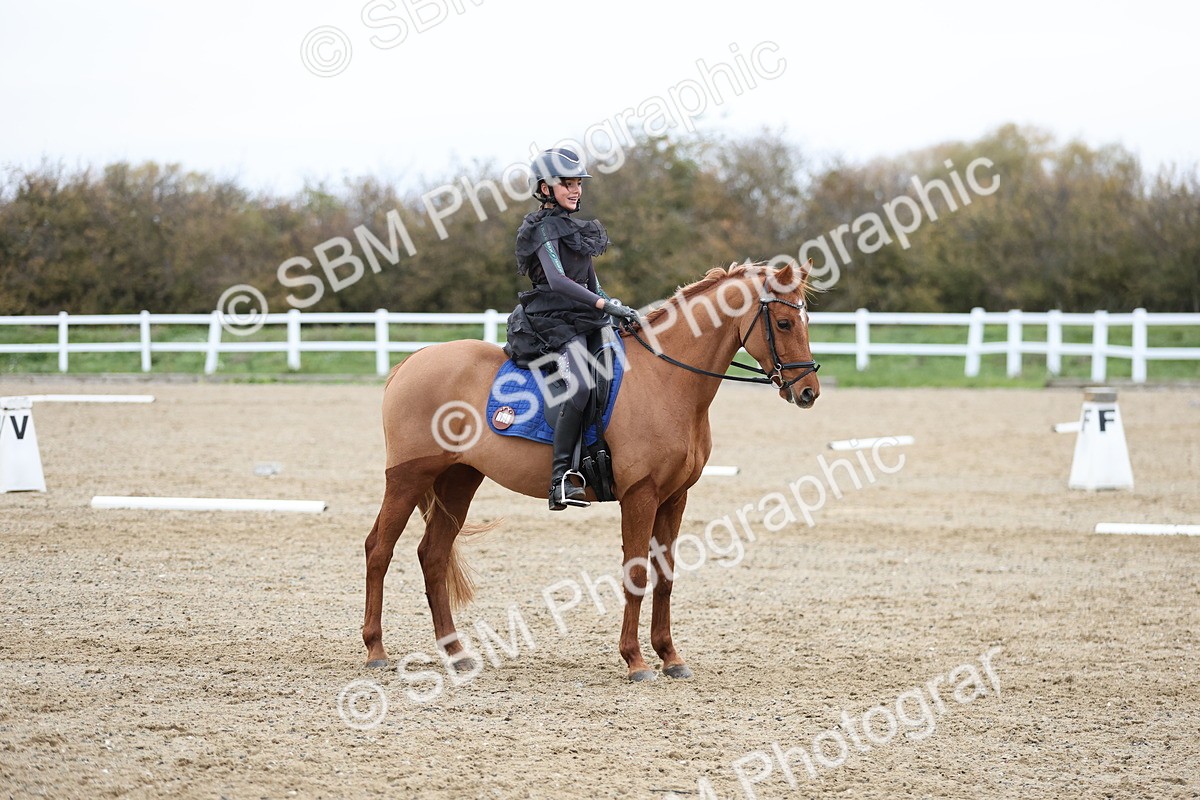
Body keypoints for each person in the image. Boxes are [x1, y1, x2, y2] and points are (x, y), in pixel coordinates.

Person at [513, 147, 638, 511]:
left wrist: (616, 306)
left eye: (577, 183)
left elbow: (590, 282)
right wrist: (602, 305)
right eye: (566, 184)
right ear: (545, 188)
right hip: (552, 321)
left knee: (623, 368)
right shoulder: (540, 229)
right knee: (581, 384)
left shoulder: (578, 228)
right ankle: (560, 479)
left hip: (585, 317)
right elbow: (557, 280)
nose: (574, 190)